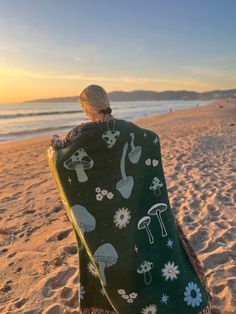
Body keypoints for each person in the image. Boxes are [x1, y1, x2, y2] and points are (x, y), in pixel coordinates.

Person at [47, 85, 212, 313]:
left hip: (105, 219)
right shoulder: (128, 129)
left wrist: (54, 144)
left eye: (83, 107)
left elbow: (60, 156)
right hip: (131, 212)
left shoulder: (83, 135)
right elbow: (152, 140)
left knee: (111, 259)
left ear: (87, 106)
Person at [50, 85, 116, 149]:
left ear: (89, 107)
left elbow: (60, 144)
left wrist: (54, 137)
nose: (86, 114)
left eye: (83, 108)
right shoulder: (125, 127)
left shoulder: (81, 130)